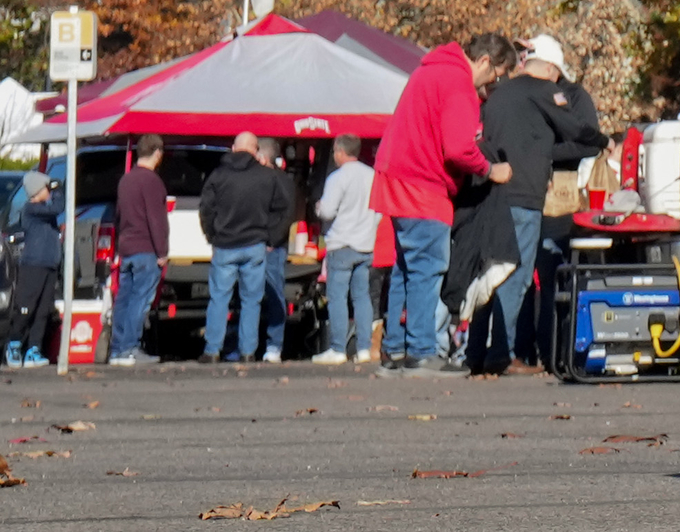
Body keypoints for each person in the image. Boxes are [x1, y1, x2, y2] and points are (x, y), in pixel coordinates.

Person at [375, 33, 505, 375]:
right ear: (485, 61)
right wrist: (492, 169)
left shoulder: (427, 71)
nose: (489, 87)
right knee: (427, 267)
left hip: (396, 175)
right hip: (424, 183)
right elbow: (459, 149)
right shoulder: (458, 82)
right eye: (494, 77)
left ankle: (394, 351)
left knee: (405, 269)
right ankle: (420, 351)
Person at [476, 36, 602, 373]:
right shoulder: (516, 94)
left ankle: (545, 354)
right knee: (514, 275)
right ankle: (508, 352)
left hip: (554, 199)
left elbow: (587, 142)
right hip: (525, 193)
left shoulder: (572, 96)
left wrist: (545, 154)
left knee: (545, 278)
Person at [198, 133, 297, 363]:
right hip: (255, 244)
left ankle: (212, 350)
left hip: (224, 245)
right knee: (251, 300)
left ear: (233, 148)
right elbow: (286, 209)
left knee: (219, 298)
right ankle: (248, 351)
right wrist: (271, 237)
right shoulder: (268, 177)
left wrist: (212, 233)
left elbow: (206, 209)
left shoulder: (218, 175)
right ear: (255, 150)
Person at [313, 135, 378, 365]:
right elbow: (378, 211)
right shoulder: (372, 175)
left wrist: (319, 207)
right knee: (362, 297)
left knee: (337, 297)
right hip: (365, 243)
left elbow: (328, 211)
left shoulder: (337, 178)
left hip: (341, 243)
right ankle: (363, 348)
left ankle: (338, 348)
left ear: (340, 152)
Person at [107, 137, 170, 364]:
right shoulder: (152, 182)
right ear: (157, 153)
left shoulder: (126, 180)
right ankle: (130, 348)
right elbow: (156, 219)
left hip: (127, 248)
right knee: (139, 300)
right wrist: (162, 251)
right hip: (146, 248)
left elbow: (119, 215)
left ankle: (117, 349)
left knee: (123, 298)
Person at [3, 175, 58, 365]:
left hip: (49, 264)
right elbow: (58, 207)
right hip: (33, 265)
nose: (49, 190)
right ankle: (14, 343)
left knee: (43, 310)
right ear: (36, 191)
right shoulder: (31, 209)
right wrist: (58, 189)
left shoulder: (45, 212)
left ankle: (34, 348)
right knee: (26, 308)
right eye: (46, 187)